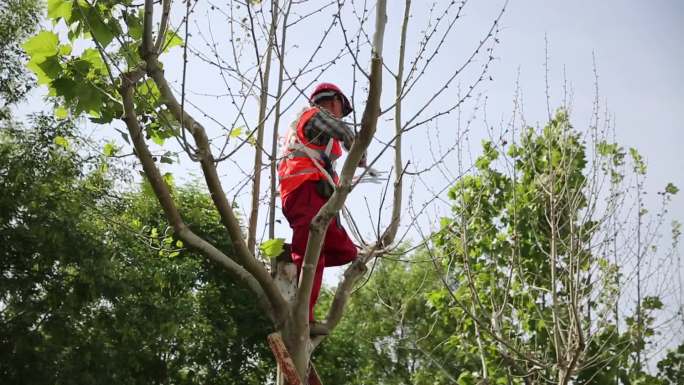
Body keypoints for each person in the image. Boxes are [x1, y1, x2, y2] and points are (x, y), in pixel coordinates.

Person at [277, 83, 362, 322]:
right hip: (306, 191)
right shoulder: (314, 115)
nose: (339, 114)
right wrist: (359, 149)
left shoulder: (306, 131)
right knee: (308, 255)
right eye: (340, 109)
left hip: (311, 194)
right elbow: (344, 132)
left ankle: (295, 267)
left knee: (343, 251)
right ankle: (302, 314)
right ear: (334, 101)